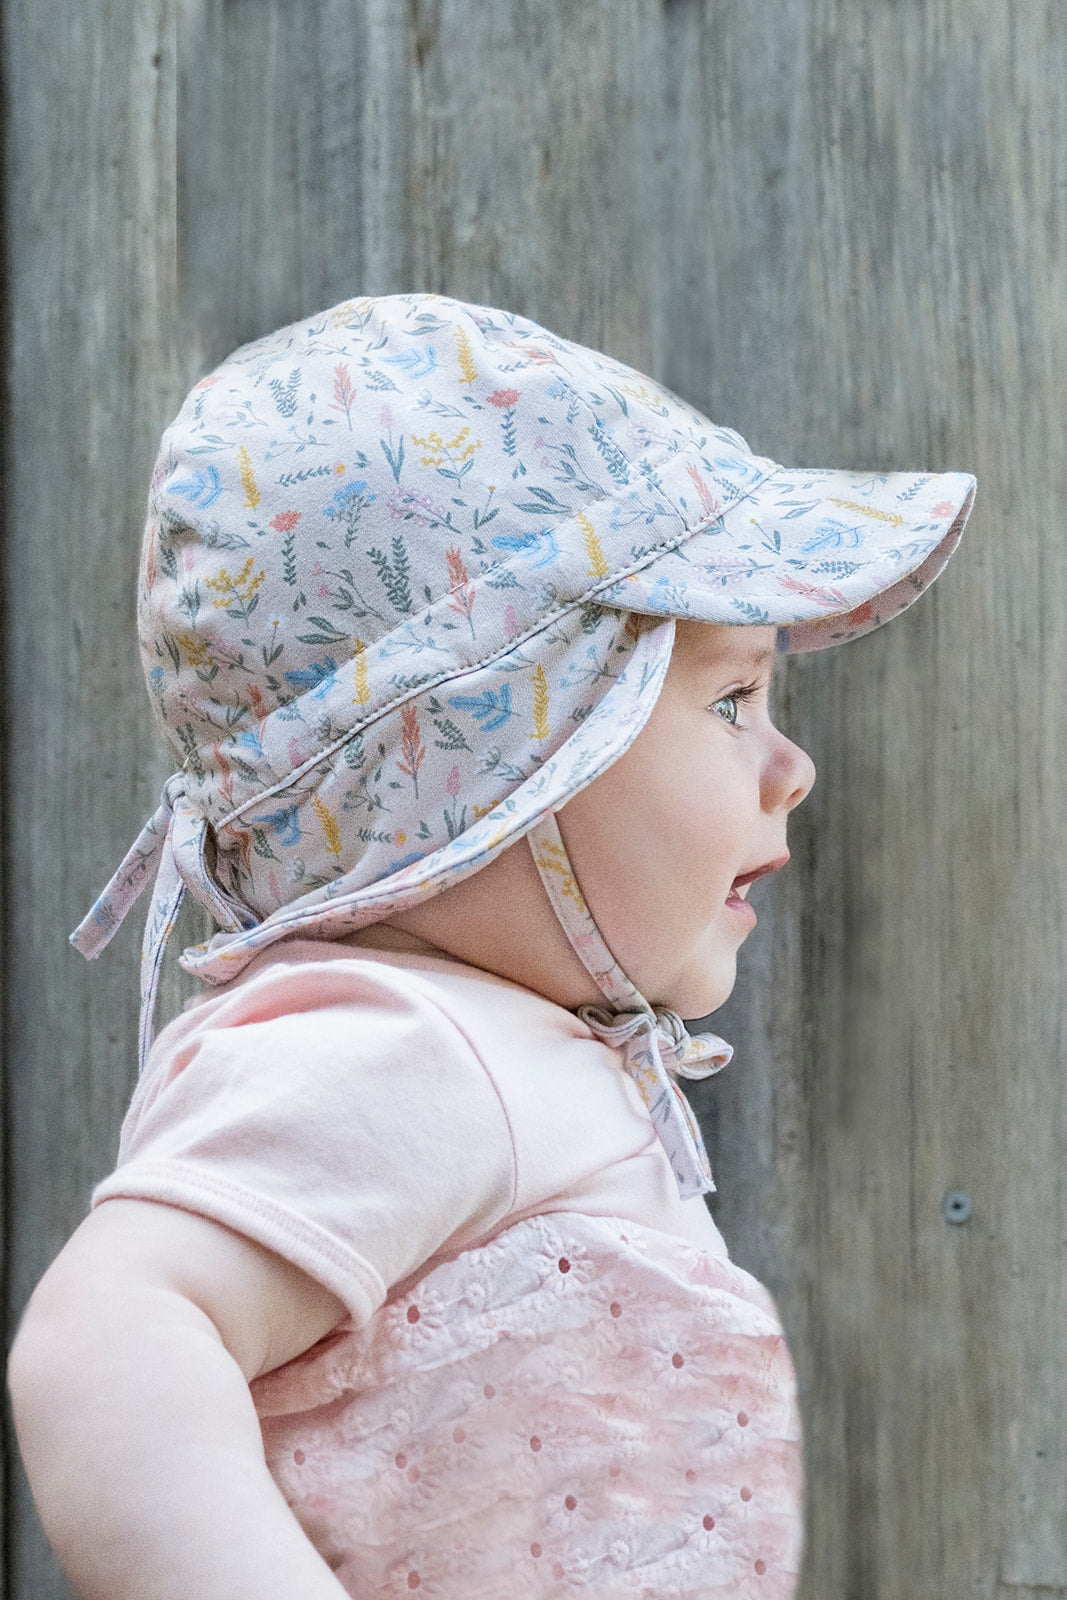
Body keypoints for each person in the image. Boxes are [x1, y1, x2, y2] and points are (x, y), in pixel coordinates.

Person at [7, 294, 975, 1600]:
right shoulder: (412, 1048)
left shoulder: (516, 1055)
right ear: (510, 754)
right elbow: (102, 1344)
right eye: (732, 698)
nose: (793, 768)